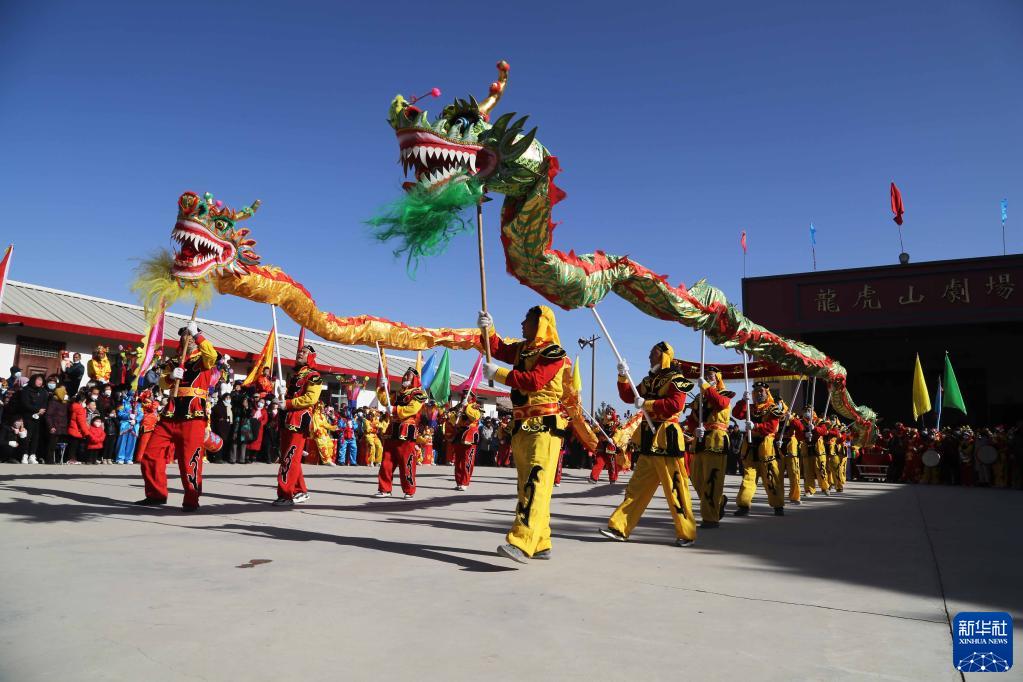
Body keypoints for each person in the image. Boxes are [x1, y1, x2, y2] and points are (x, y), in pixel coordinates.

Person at [479, 306, 573, 563]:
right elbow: (498, 349)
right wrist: (488, 328)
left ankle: (521, 542)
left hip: (544, 425)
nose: (522, 323)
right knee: (527, 486)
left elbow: (534, 381)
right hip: (523, 424)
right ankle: (541, 541)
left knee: (536, 484)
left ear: (540, 323)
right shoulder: (523, 349)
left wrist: (498, 374)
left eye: (527, 320)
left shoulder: (554, 352)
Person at [598, 341, 697, 548]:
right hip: (648, 439)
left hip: (667, 439)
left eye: (653, 353)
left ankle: (686, 532)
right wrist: (622, 376)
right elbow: (628, 396)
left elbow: (675, 405)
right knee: (636, 488)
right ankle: (620, 527)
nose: (649, 357)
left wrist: (648, 404)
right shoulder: (648, 380)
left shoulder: (678, 380)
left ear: (664, 356)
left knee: (675, 489)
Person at [136, 322, 217, 511]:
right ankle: (156, 494)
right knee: (151, 455)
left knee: (190, 460)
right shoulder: (174, 361)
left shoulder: (204, 359)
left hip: (193, 414)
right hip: (171, 413)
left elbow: (212, 355)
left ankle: (191, 500)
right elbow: (163, 384)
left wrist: (197, 335)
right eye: (185, 335)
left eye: (190, 335)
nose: (188, 338)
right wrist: (171, 376)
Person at [274, 344, 322, 506]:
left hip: (299, 420)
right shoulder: (295, 375)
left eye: (304, 352)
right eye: (299, 351)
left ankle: (286, 494)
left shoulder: (314, 376)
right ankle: (300, 490)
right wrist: (282, 396)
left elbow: (310, 399)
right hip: (287, 419)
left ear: (311, 357)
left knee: (290, 457)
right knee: (289, 458)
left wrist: (288, 403)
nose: (300, 353)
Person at [688, 366, 734, 527]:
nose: (707, 378)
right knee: (696, 478)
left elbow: (720, 403)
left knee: (712, 480)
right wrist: (694, 429)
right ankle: (718, 502)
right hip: (701, 439)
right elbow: (692, 418)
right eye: (706, 376)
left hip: (716, 439)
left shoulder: (725, 394)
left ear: (718, 379)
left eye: (711, 376)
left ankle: (710, 518)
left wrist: (707, 387)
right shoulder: (699, 398)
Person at [732, 381, 786, 517]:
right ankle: (743, 505)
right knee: (748, 477)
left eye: (761, 391)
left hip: (766, 447)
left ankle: (778, 505)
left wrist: (756, 426)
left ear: (767, 393)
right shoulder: (750, 407)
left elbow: (772, 427)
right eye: (756, 391)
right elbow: (737, 414)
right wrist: (743, 401)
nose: (758, 394)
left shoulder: (773, 408)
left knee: (770, 477)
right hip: (750, 447)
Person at [374, 367, 428, 499]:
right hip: (393, 430)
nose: (405, 378)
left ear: (415, 379)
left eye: (408, 376)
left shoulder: (419, 393)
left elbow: (412, 409)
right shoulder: (398, 393)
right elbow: (385, 401)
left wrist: (394, 409)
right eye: (404, 375)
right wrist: (383, 388)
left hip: (406, 431)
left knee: (406, 462)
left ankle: (409, 490)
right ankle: (384, 489)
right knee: (386, 461)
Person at [448, 389, 482, 491]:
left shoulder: (475, 406)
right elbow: (453, 421)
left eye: (467, 394)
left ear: (472, 396)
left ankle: (465, 482)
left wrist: (466, 407)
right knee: (458, 460)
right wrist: (455, 415)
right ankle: (459, 482)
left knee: (468, 460)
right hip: (459, 434)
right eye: (463, 394)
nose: (464, 395)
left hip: (470, 435)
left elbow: (475, 417)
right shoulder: (458, 406)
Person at [589, 408, 622, 484]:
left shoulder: (616, 424)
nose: (608, 415)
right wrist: (595, 426)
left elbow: (619, 433)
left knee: (611, 464)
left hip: (610, 446)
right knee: (598, 461)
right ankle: (594, 478)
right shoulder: (601, 423)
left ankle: (612, 479)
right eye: (607, 413)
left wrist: (613, 439)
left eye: (610, 413)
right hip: (601, 445)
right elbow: (595, 431)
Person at [45, 383, 70, 464]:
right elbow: (48, 415)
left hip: (62, 426)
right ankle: (49, 459)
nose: (66, 395)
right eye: (64, 393)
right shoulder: (53, 402)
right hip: (55, 426)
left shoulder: (64, 403)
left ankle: (59, 459)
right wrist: (51, 426)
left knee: (59, 444)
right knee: (52, 444)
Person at [114, 393, 142, 464]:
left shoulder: (139, 405)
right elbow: (119, 413)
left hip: (134, 425)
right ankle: (120, 458)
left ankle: (129, 458)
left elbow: (141, 414)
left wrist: (136, 420)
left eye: (136, 396)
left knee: (132, 442)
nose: (134, 397)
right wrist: (128, 416)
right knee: (122, 442)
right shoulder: (123, 403)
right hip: (125, 424)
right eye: (133, 396)